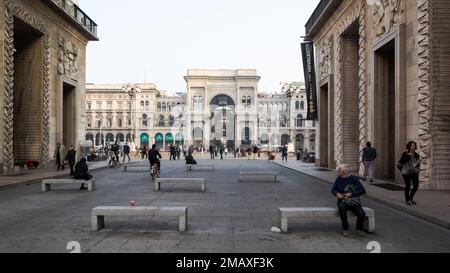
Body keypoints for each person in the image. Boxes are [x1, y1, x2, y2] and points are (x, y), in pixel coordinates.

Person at [331, 164, 367, 237]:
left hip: (353, 201)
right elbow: (333, 190)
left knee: (361, 213)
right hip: (342, 201)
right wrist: (337, 194)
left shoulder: (354, 179)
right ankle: (345, 228)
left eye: (339, 170)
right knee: (342, 208)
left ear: (343, 172)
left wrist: (352, 194)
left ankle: (359, 229)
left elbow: (362, 190)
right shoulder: (338, 179)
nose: (337, 171)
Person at [397, 141, 421, 206]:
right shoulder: (405, 154)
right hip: (406, 172)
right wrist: (402, 169)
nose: (413, 146)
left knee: (416, 185)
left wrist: (417, 167)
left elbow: (417, 164)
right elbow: (400, 163)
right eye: (411, 145)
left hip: (414, 172)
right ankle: (407, 200)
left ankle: (411, 197)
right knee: (407, 186)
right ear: (409, 146)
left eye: (414, 145)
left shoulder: (416, 155)